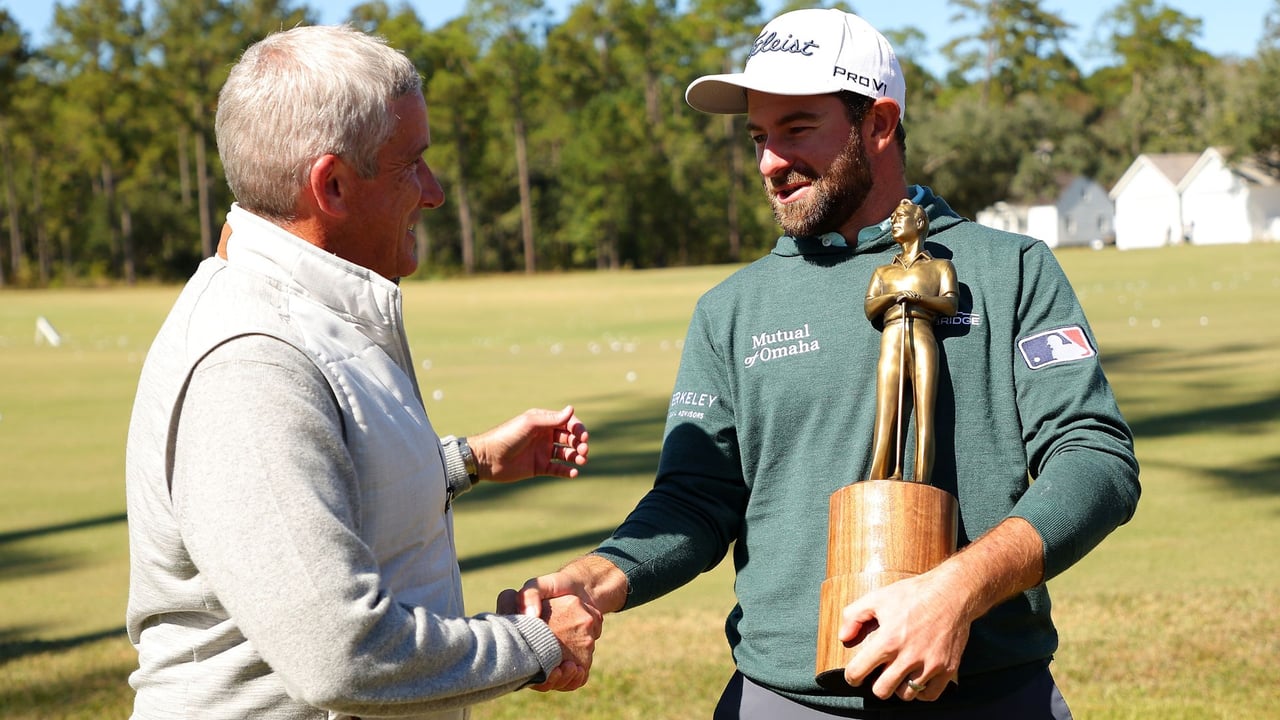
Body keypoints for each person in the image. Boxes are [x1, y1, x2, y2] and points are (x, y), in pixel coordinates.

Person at [502, 8, 1140, 719]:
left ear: (880, 124)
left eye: (797, 128)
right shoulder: (731, 309)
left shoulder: (1012, 269)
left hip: (994, 695)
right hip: (783, 701)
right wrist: (598, 579)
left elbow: (1095, 460)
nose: (770, 161)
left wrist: (957, 592)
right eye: (758, 135)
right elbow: (696, 500)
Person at [124, 24, 599, 720]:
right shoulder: (254, 359)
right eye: (414, 163)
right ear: (334, 184)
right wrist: (535, 644)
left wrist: (466, 461)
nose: (433, 192)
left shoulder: (312, 313)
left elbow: (311, 497)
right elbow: (341, 655)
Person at [864, 198, 958, 484]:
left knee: (924, 413)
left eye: (900, 216)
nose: (894, 221)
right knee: (886, 411)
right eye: (893, 217)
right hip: (892, 333)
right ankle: (879, 479)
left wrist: (920, 299)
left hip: (922, 333)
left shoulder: (941, 267)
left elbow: (950, 304)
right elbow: (870, 307)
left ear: (919, 223)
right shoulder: (883, 272)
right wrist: (893, 297)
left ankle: (921, 482)